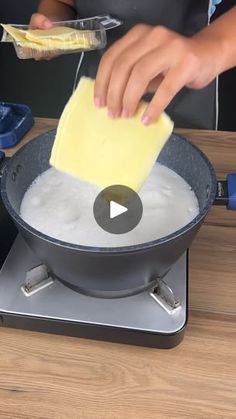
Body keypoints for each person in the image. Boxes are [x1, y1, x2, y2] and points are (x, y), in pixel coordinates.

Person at [30, 1, 236, 129]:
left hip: (187, 89)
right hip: (98, 88)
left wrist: (213, 48)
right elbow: (61, 2)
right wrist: (53, 26)